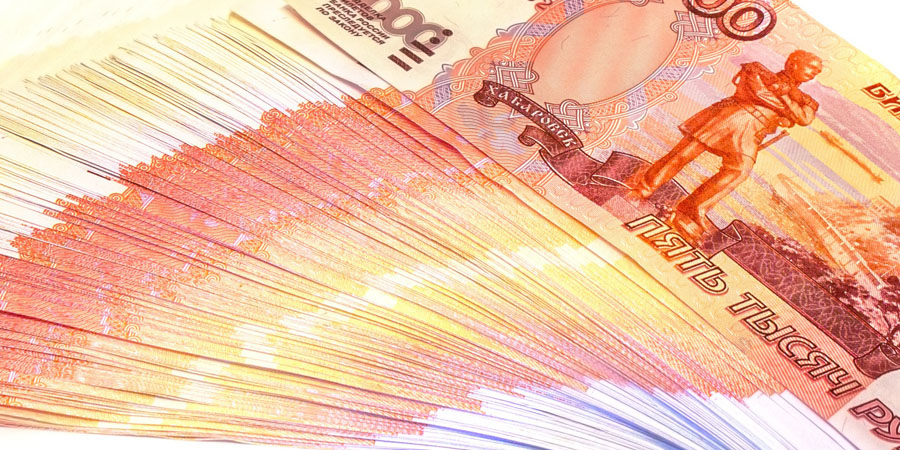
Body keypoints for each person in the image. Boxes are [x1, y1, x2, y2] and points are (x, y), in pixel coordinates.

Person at [629, 50, 823, 241]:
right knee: (684, 153)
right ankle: (643, 188)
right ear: (794, 64)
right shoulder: (757, 70)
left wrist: (786, 96)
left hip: (753, 132)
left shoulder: (807, 100)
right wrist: (788, 109)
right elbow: (757, 93)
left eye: (818, 71)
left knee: (739, 170)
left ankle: (692, 210)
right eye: (811, 67)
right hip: (731, 115)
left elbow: (804, 119)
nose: (815, 72)